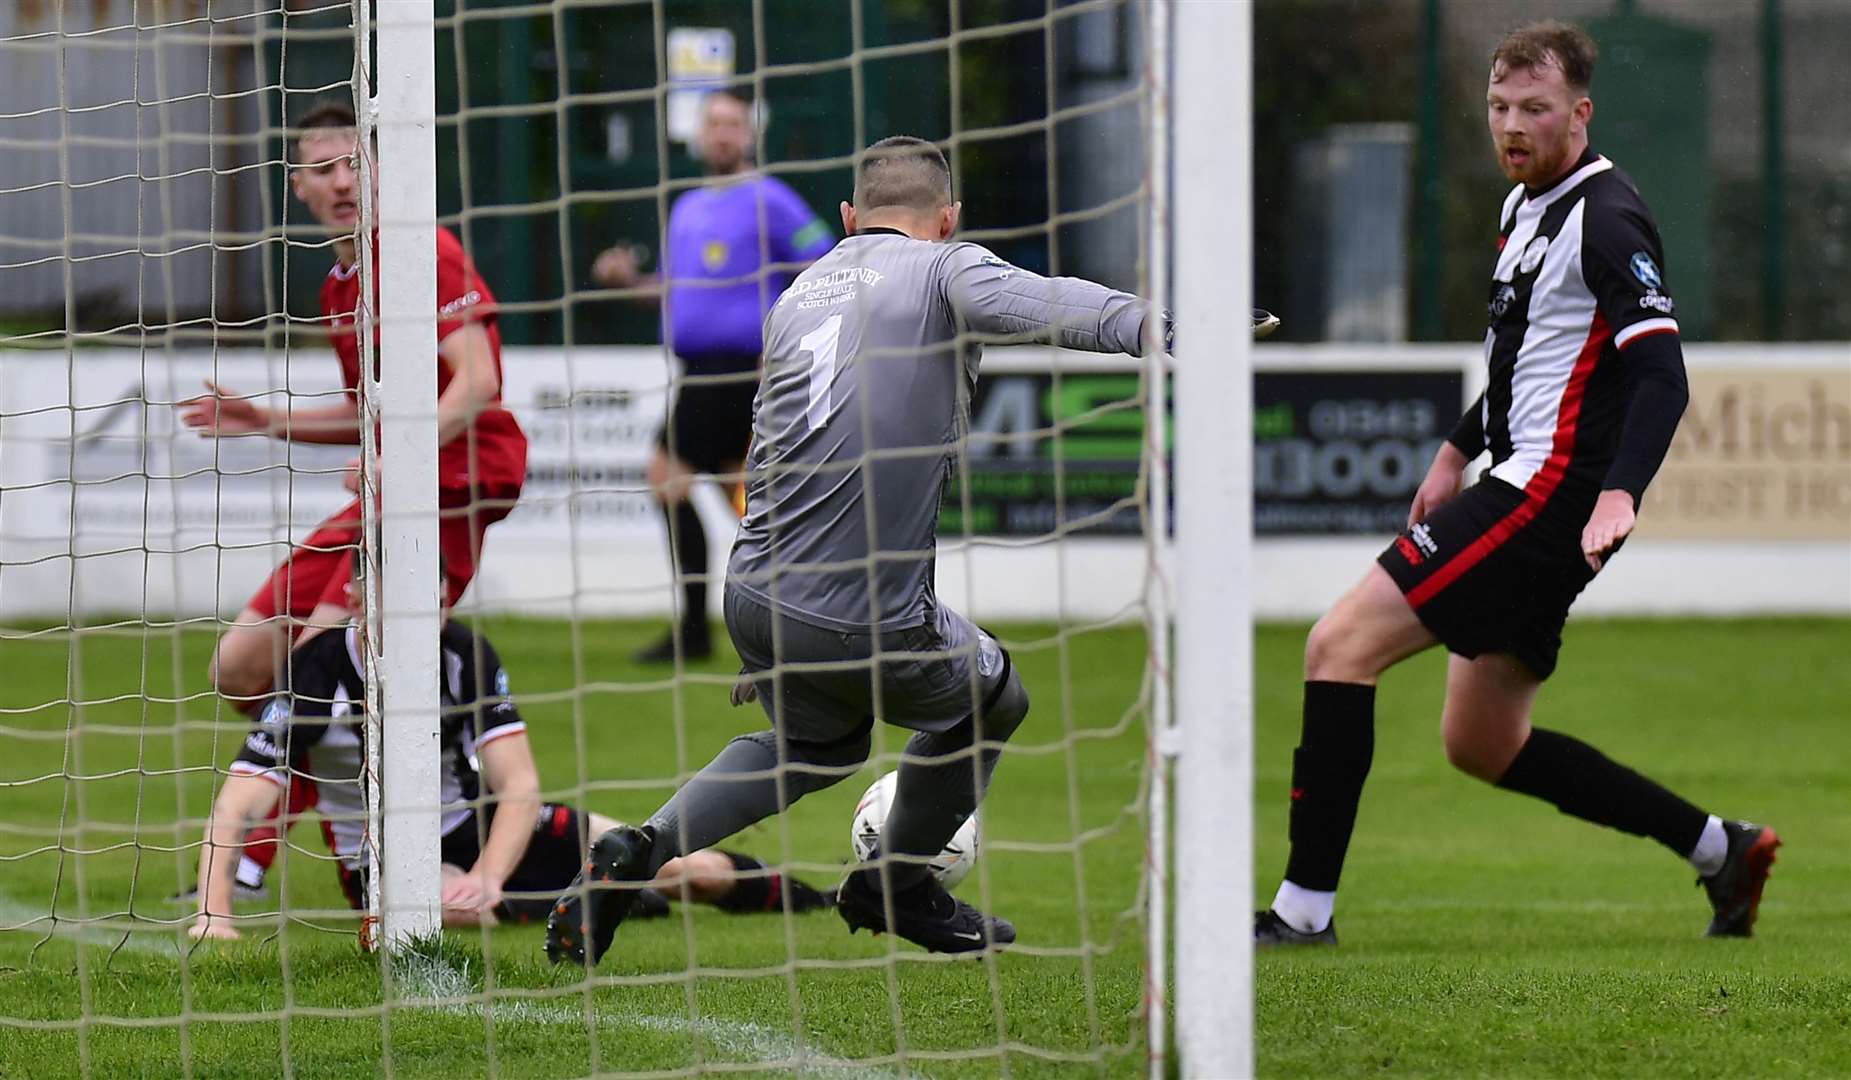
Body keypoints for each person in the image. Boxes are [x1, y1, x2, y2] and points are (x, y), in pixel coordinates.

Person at [543, 136, 1275, 968]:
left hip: (755, 587)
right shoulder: (943, 267)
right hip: (854, 605)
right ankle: (897, 886)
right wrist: (1163, 325)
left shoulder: (799, 294)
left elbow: (769, 443)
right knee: (992, 698)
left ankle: (641, 847)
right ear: (947, 220)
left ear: (849, 219)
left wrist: (776, 623)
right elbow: (1048, 302)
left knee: (816, 746)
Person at [1252, 21, 1778, 948]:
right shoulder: (1519, 206)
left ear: (1579, 112)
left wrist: (1621, 493)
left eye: (1533, 108)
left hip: (1545, 500)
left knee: (1339, 644)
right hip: (1518, 484)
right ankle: (1718, 849)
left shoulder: (1605, 216)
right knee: (1481, 744)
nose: (1511, 125)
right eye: (1499, 106)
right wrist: (1455, 449)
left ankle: (1301, 914)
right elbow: (1520, 355)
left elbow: (1660, 374)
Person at [177, 98, 529, 896]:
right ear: (296, 185)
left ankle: (263, 860)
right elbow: (371, 416)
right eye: (321, 169)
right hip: (396, 481)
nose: (340, 181)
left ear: (376, 170)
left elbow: (478, 383)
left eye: (352, 164)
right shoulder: (341, 283)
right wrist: (265, 419)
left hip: (456, 480)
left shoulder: (418, 251)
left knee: (331, 664)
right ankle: (380, 811)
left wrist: (393, 458)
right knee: (240, 667)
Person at [188, 614, 831, 940]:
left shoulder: (462, 651)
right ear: (361, 597)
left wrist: (489, 876)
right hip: (380, 861)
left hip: (485, 827)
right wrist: (214, 914)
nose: (423, 615)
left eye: (435, 599)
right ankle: (608, 902)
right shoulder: (315, 671)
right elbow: (237, 804)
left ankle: (824, 903)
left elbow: (518, 785)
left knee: (676, 864)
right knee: (438, 913)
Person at [591, 89, 836, 663]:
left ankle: (700, 632)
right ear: (699, 136)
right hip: (696, 373)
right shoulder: (687, 207)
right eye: (714, 124)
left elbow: (823, 265)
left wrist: (782, 343)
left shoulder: (770, 199)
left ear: (750, 136)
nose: (722, 134)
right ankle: (805, 623)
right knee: (750, 502)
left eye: (733, 124)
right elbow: (676, 294)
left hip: (743, 373)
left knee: (669, 478)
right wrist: (630, 281)